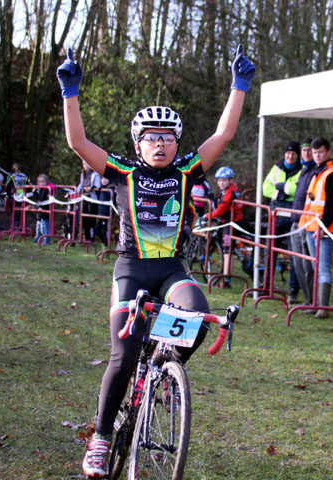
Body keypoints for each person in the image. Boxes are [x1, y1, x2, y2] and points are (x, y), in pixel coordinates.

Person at [57, 44, 254, 478]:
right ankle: (102, 437)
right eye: (152, 137)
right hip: (132, 268)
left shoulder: (186, 171)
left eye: (167, 138)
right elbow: (78, 143)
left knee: (200, 316)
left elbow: (222, 135)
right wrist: (70, 92)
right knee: (123, 356)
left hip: (171, 271)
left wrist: (239, 87)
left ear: (177, 143)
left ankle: (166, 367)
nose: (160, 144)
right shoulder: (124, 173)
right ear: (138, 143)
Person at [298, 137, 333, 319]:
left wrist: (322, 227)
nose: (317, 155)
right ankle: (315, 303)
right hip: (310, 226)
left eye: (320, 152)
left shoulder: (332, 174)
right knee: (314, 266)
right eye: (315, 152)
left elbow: (331, 205)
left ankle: (323, 307)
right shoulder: (318, 172)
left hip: (323, 229)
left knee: (323, 267)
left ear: (328, 153)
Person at [263, 140, 303, 303]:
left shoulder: (303, 170)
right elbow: (266, 188)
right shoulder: (276, 168)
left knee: (294, 255)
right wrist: (282, 193)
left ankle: (293, 290)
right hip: (276, 215)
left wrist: (280, 186)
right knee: (270, 252)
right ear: (284, 154)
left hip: (293, 216)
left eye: (293, 154)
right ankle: (265, 285)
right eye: (288, 153)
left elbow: (299, 190)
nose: (290, 156)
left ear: (297, 155)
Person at [206, 166, 244, 288]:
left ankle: (226, 281)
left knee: (227, 252)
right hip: (234, 222)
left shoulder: (229, 193)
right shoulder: (233, 190)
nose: (221, 183)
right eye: (219, 180)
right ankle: (227, 278)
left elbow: (221, 209)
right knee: (230, 251)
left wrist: (208, 216)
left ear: (230, 181)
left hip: (230, 224)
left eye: (224, 180)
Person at [289, 138, 317, 307]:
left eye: (309, 150)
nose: (306, 153)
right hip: (296, 221)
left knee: (308, 264)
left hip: (307, 223)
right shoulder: (304, 170)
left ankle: (313, 300)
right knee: (298, 263)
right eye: (304, 150)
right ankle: (307, 299)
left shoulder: (315, 172)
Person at [31, 173, 54, 245]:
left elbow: (47, 201)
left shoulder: (48, 190)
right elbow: (39, 198)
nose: (41, 183)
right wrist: (34, 192)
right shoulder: (40, 189)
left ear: (47, 182)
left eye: (43, 181)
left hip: (45, 211)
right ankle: (37, 238)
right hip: (40, 211)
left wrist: (43, 208)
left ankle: (46, 240)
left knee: (45, 227)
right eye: (40, 181)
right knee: (38, 226)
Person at [5, 163, 29, 228]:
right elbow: (28, 185)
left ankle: (16, 225)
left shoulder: (11, 176)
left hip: (15, 195)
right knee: (22, 210)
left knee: (15, 210)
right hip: (23, 195)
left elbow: (7, 186)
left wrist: (8, 194)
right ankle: (23, 225)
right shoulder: (25, 176)